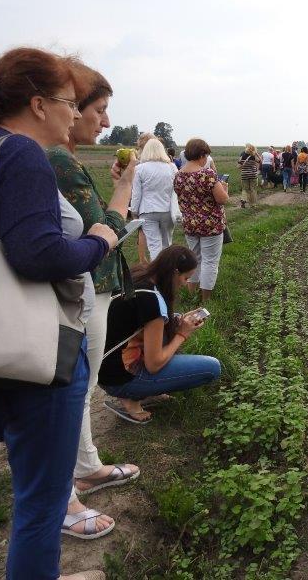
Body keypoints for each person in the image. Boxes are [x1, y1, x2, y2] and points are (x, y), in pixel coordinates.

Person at [0, 47, 118, 580]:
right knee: (42, 502)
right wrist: (98, 241)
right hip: (37, 349)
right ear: (39, 104)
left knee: (33, 484)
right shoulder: (20, 154)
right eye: (68, 101)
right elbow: (38, 254)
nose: (73, 111)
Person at [47, 62, 139, 543]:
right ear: (67, 107)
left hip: (87, 286)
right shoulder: (58, 160)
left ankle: (88, 465)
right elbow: (102, 230)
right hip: (85, 288)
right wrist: (124, 189)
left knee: (79, 387)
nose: (105, 122)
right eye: (99, 110)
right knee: (74, 389)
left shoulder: (65, 159)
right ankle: (68, 494)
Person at [98, 246, 221, 423]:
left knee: (168, 331)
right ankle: (132, 395)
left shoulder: (139, 274)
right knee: (212, 368)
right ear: (174, 272)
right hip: (119, 378)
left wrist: (176, 320)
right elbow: (153, 365)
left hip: (103, 367)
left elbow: (135, 322)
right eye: (185, 278)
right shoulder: (153, 302)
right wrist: (182, 334)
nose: (185, 283)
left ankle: (142, 389)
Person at [175, 138, 228, 301]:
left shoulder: (178, 175)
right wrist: (225, 188)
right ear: (202, 155)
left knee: (195, 259)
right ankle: (206, 299)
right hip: (210, 224)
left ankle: (191, 294)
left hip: (190, 224)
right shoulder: (208, 174)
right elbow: (222, 199)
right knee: (210, 261)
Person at [132, 138, 178, 259]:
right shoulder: (172, 167)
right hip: (168, 210)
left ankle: (157, 273)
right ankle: (168, 272)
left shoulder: (140, 169)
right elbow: (177, 189)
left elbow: (136, 194)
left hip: (147, 210)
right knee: (167, 244)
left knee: (154, 246)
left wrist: (134, 212)